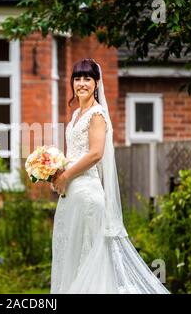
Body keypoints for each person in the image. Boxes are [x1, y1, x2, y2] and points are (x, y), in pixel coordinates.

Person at [51, 59, 170, 294]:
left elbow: (95, 153)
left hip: (87, 194)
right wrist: (54, 170)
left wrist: (66, 176)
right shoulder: (76, 114)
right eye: (77, 78)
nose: (81, 83)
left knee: (88, 258)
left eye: (87, 78)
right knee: (70, 255)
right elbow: (75, 153)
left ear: (96, 84)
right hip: (71, 195)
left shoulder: (97, 114)